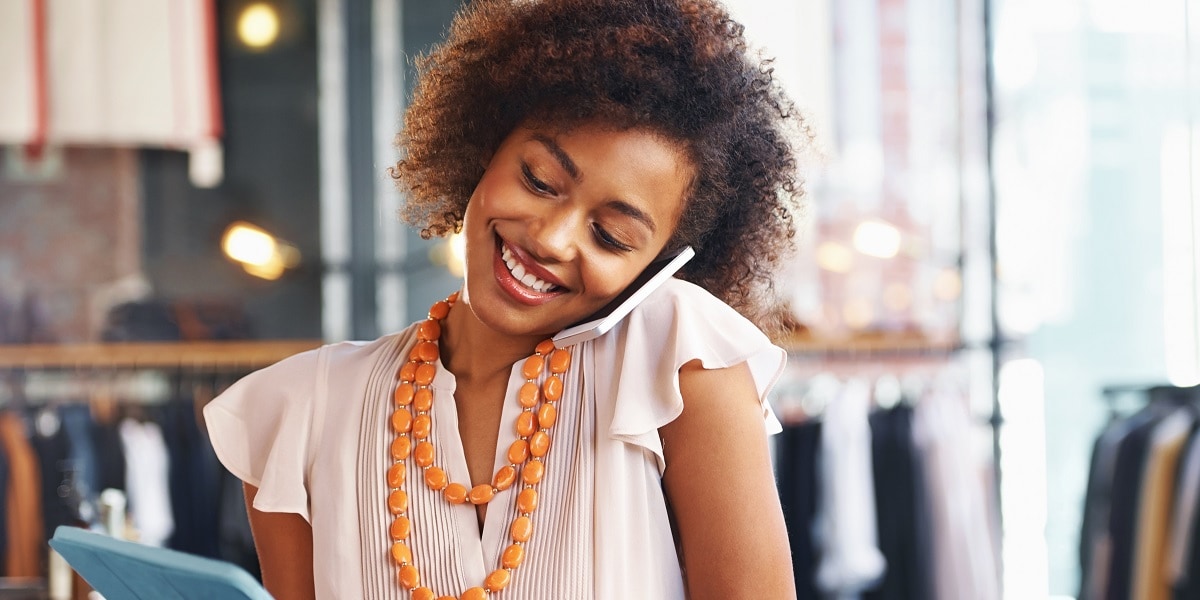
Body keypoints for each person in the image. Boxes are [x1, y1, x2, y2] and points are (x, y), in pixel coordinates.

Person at [204, 0, 806, 597]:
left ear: (658, 268)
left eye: (611, 237)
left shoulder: (678, 363)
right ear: (484, 145)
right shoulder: (297, 411)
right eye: (539, 180)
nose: (550, 237)